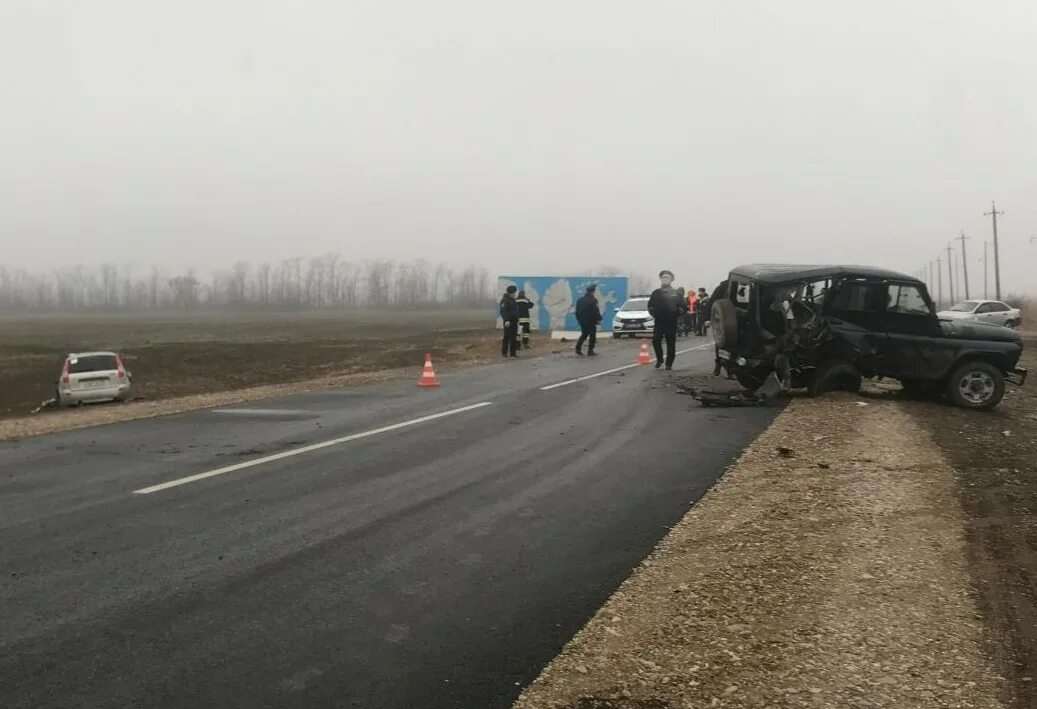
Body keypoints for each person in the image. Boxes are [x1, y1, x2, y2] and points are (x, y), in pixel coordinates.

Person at [648, 270, 686, 369]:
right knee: (656, 341)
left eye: (667, 277)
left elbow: (683, 307)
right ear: (660, 279)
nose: (665, 279)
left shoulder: (676, 293)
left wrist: (677, 311)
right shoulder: (656, 293)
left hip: (671, 322)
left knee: (671, 343)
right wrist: (653, 312)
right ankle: (659, 359)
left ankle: (669, 364)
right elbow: (650, 306)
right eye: (663, 277)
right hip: (659, 321)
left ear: (671, 280)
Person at [575, 284, 602, 356]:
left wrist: (579, 320)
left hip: (582, 321)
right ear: (592, 292)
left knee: (584, 334)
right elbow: (595, 311)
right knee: (592, 335)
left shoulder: (580, 300)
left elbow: (576, 312)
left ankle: (578, 348)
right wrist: (598, 319)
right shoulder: (593, 300)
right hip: (591, 321)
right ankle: (590, 351)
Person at [499, 285, 520, 358]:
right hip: (508, 322)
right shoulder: (505, 300)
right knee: (507, 337)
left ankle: (513, 353)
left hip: (514, 321)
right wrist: (506, 320)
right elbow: (503, 311)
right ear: (510, 293)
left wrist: (517, 318)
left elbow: (515, 310)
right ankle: (504, 353)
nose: (515, 294)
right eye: (514, 293)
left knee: (514, 337)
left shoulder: (513, 300)